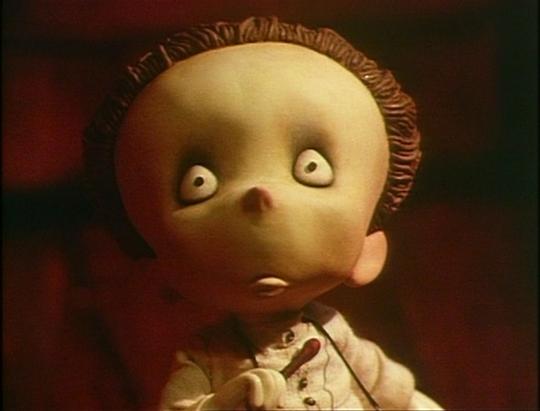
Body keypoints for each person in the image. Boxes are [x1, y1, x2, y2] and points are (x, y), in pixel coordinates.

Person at [84, 16, 442, 410]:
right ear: (160, 272)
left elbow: (396, 394)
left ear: (368, 251)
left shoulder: (338, 337)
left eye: (311, 169)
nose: (260, 195)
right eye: (199, 184)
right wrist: (227, 401)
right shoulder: (206, 358)